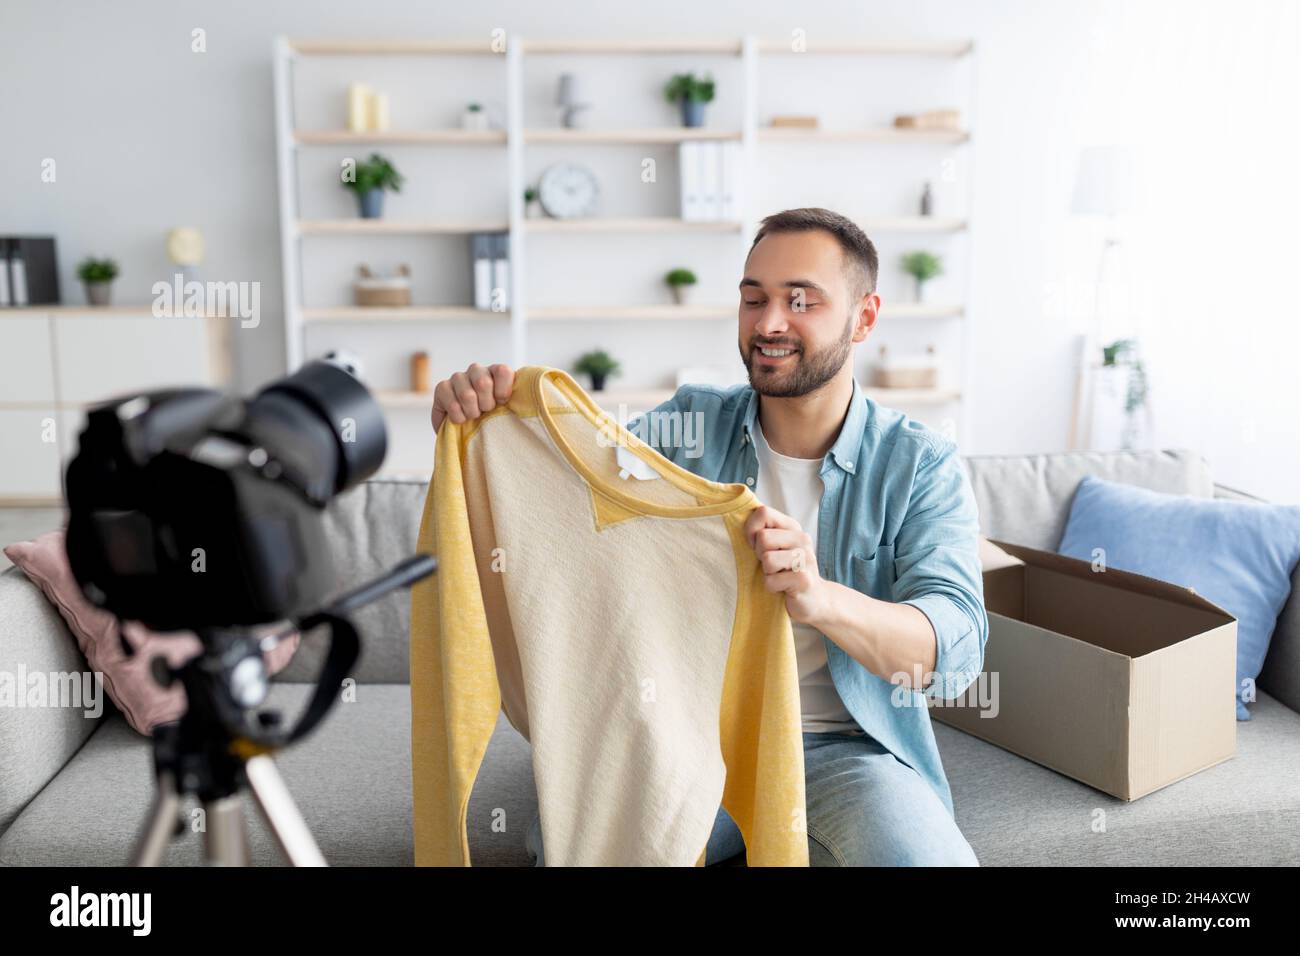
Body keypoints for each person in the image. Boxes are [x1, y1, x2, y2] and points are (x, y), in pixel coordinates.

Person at [430, 207, 985, 867]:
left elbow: (951, 655)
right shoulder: (691, 425)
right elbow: (579, 491)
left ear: (864, 318)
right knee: (574, 848)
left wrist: (818, 598)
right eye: (754, 299)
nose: (769, 323)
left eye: (800, 300)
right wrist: (486, 424)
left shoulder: (920, 464)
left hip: (849, 756)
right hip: (686, 741)